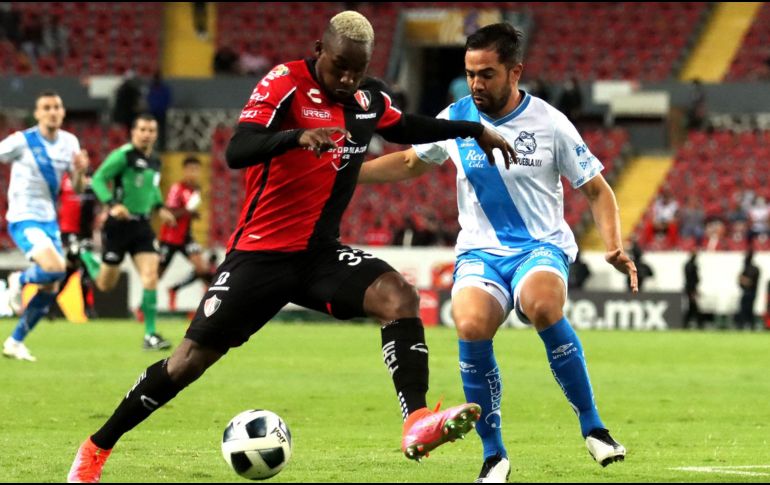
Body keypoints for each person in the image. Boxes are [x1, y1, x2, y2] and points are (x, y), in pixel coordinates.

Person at [67, 11, 517, 483]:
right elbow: (237, 150)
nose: (346, 78)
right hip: (261, 253)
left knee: (399, 297)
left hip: (320, 255)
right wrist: (296, 138)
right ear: (319, 50)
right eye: (339, 66)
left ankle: (416, 422)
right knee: (187, 363)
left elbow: (404, 126)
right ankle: (96, 448)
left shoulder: (367, 97)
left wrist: (471, 130)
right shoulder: (285, 82)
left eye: (356, 69)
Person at [358, 23, 636, 482]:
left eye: (486, 74)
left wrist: (613, 246)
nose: (476, 84)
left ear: (515, 72)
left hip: (539, 246)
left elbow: (597, 190)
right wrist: (346, 175)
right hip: (480, 254)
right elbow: (410, 161)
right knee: (469, 323)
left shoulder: (549, 122)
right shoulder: (457, 116)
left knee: (542, 305)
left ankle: (594, 427)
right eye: (469, 74)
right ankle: (494, 455)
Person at [0, 91, 89, 361]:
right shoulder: (21, 141)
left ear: (63, 113)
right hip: (23, 216)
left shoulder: (70, 142)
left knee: (52, 283)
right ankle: (19, 279)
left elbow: (76, 188)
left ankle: (15, 342)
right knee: (54, 268)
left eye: (57, 107)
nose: (52, 111)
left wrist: (81, 171)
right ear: (37, 113)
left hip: (49, 220)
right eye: (46, 107)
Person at [78, 114, 177, 351]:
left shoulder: (155, 160)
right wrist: (112, 204)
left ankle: (150, 335)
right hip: (118, 226)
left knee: (150, 276)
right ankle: (85, 257)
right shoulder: (122, 156)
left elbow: (152, 188)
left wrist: (159, 207)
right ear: (133, 132)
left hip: (142, 226)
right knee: (105, 284)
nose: (147, 134)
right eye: (142, 129)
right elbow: (99, 179)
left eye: (151, 130)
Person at [158, 155, 213, 311]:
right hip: (170, 237)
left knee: (203, 269)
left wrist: (192, 214)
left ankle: (177, 290)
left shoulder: (195, 190)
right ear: (184, 171)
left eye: (196, 170)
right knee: (157, 276)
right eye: (191, 169)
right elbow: (169, 214)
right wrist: (188, 211)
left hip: (186, 237)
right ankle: (142, 308)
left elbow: (186, 213)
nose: (194, 173)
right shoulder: (177, 188)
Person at [147, 71, 172, 151]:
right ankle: (152, 145)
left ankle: (162, 147)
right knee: (152, 130)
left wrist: (164, 108)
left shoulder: (164, 89)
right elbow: (149, 100)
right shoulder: (152, 89)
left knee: (162, 131)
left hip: (161, 113)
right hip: (153, 113)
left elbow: (168, 100)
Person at [735, 250, 760, 330]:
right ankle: (745, 325)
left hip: (751, 292)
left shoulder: (753, 269)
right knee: (744, 309)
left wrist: (743, 279)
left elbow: (748, 281)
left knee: (748, 309)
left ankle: (749, 325)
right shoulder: (749, 269)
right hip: (747, 292)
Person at [683, 251, 703, 329]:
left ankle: (687, 323)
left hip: (689, 288)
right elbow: (693, 279)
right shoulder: (693, 266)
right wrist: (693, 291)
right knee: (693, 307)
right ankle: (696, 323)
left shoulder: (687, 265)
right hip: (691, 289)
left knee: (691, 306)